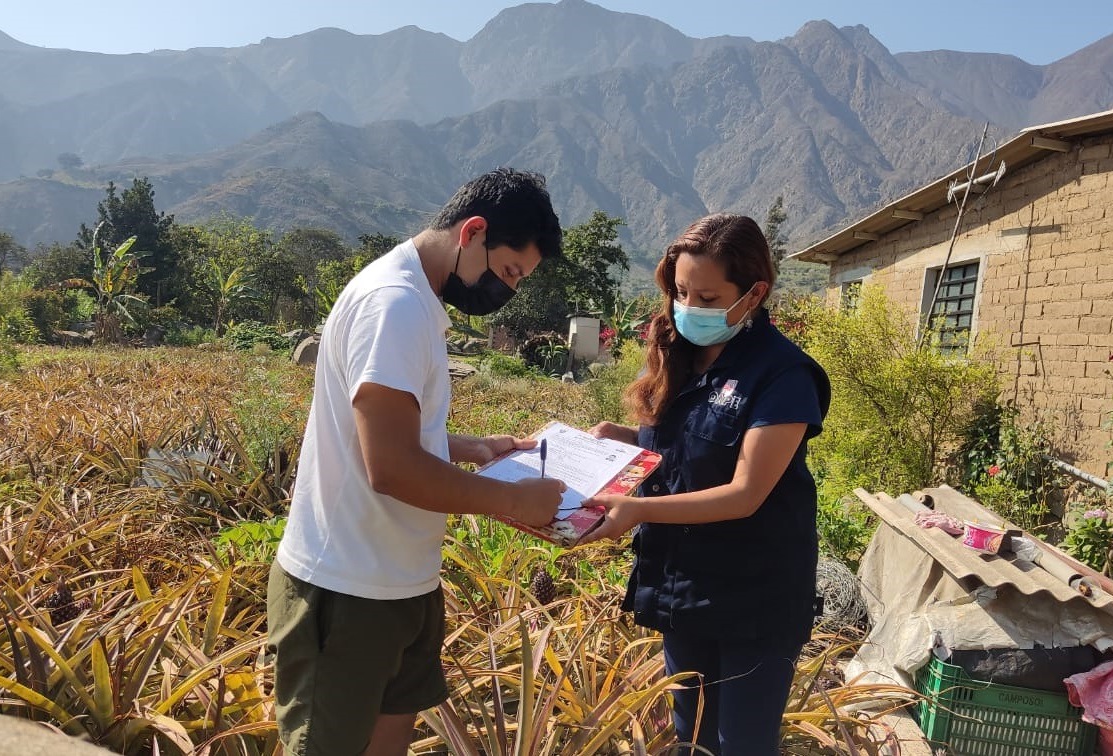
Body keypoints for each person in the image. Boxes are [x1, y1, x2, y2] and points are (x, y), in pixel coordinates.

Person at [268, 168, 568, 756]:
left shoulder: (418, 300)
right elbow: (392, 467)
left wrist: (470, 448)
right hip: (347, 588)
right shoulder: (395, 306)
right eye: (507, 272)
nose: (504, 290)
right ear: (473, 231)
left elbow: (386, 434)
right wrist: (513, 500)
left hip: (398, 584)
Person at [581, 213, 830, 756]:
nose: (690, 308)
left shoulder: (784, 375)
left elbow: (745, 492)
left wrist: (638, 510)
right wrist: (620, 438)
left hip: (755, 597)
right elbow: (683, 446)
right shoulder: (681, 354)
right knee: (688, 738)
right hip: (687, 586)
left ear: (754, 292)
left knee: (740, 743)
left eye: (709, 297)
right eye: (682, 292)